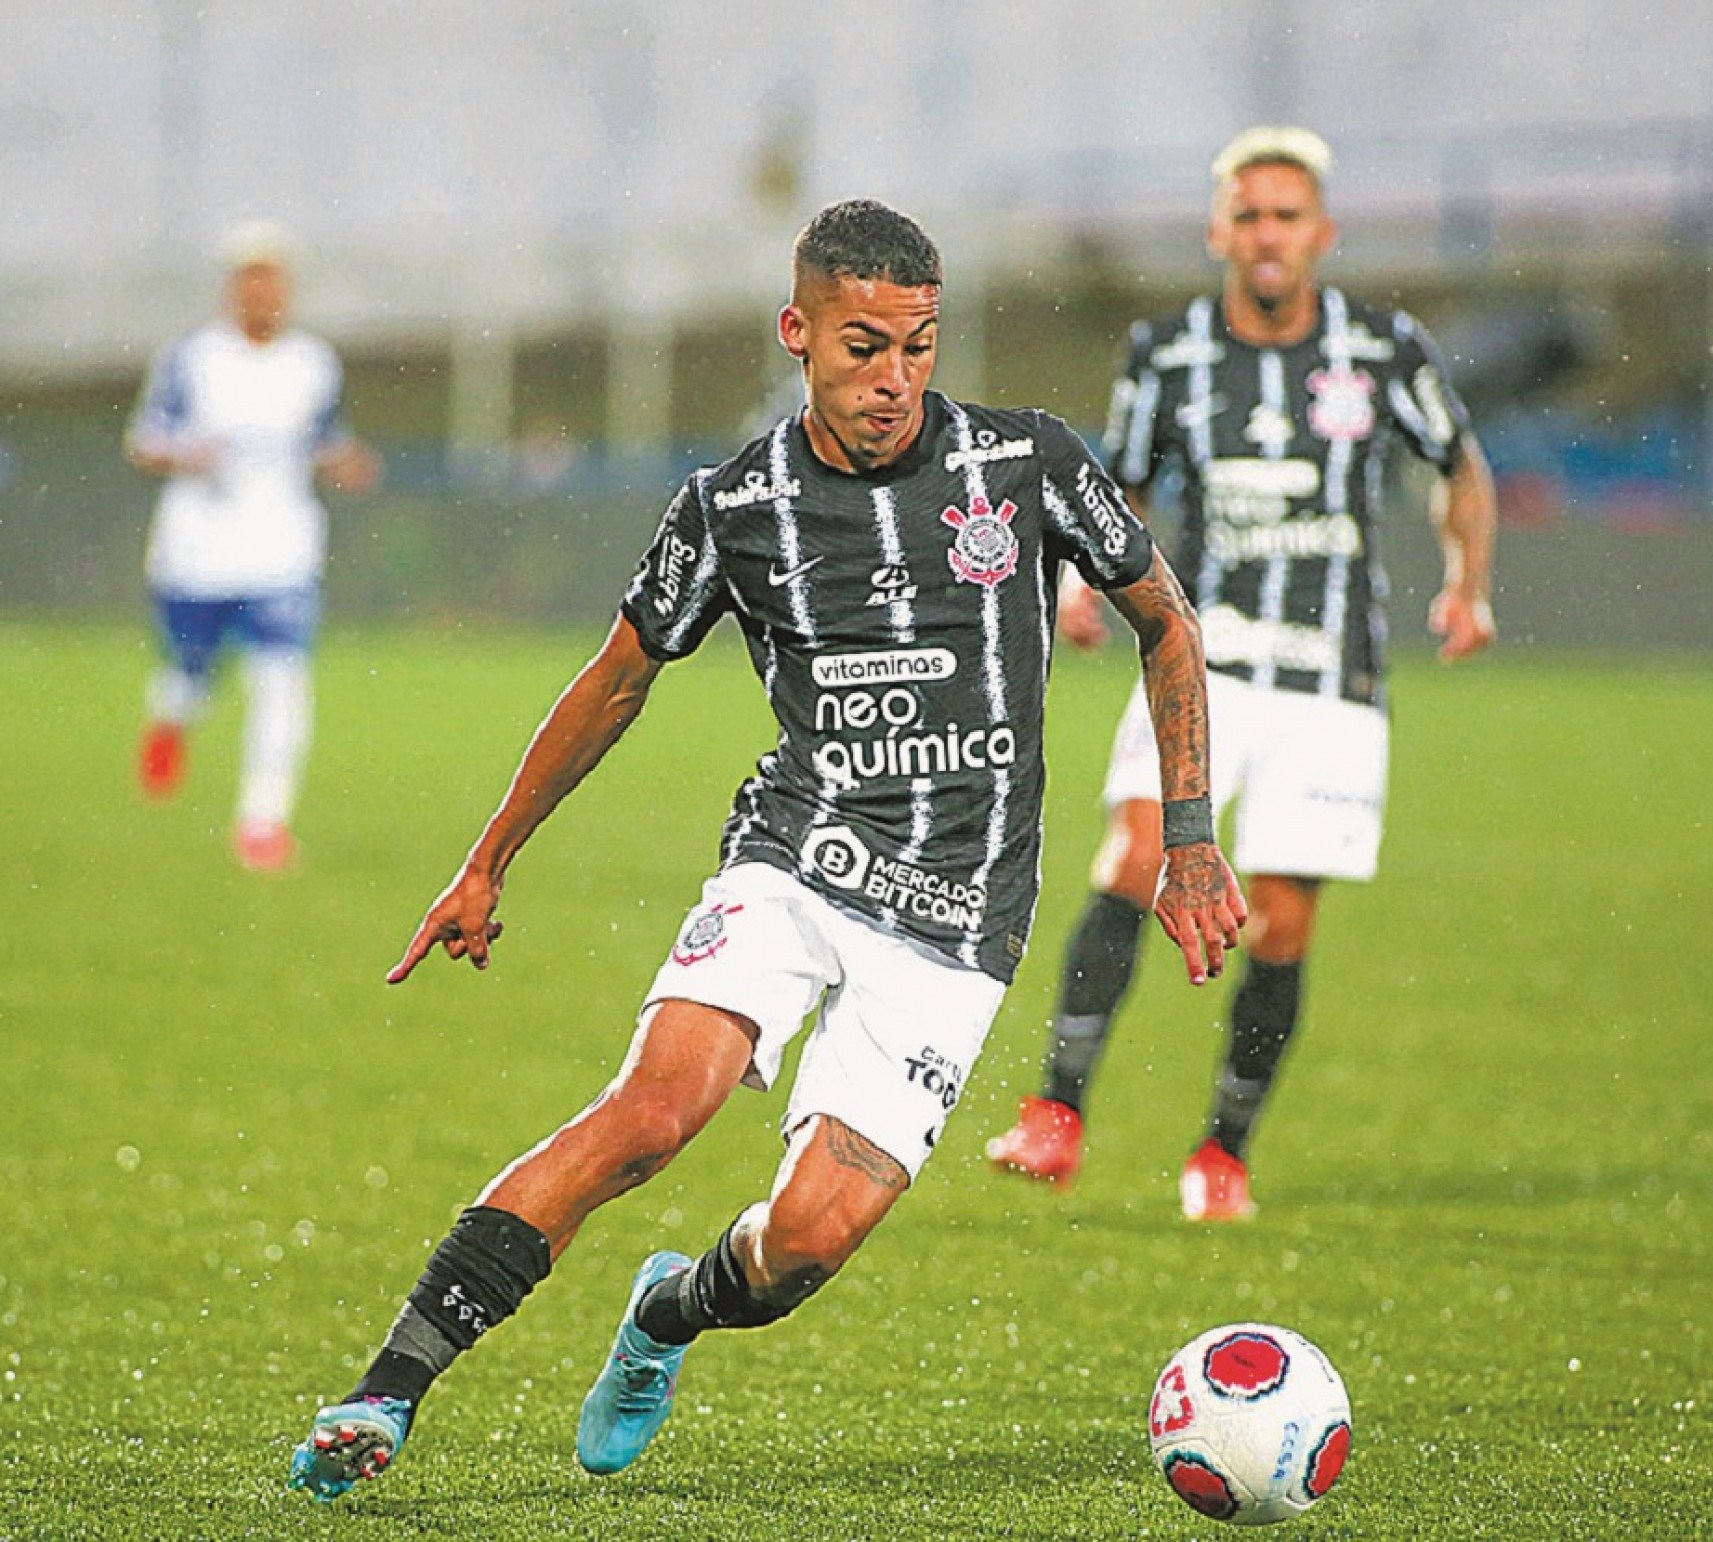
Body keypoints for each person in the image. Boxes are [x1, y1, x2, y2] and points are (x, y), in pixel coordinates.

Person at [288, 199, 1245, 1503]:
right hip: (794, 863)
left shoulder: (1026, 464)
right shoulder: (735, 503)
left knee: (800, 1244)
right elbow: (615, 680)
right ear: (796, 332)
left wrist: (1186, 841)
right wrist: (486, 858)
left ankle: (665, 1316)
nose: (893, 380)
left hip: (959, 924)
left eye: (916, 346)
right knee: (649, 1116)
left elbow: (1164, 621)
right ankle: (382, 1393)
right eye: (863, 348)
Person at [986, 126, 1498, 1221]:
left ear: (1322, 231)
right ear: (1220, 229)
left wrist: (1466, 583)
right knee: (1131, 857)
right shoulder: (1167, 352)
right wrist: (1081, 582)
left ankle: (1223, 1153)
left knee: (1280, 922)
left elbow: (1456, 463)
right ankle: (1056, 1112)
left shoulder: (1382, 346)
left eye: (1287, 216)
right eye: (1249, 216)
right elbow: (1114, 490)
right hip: (1200, 658)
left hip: (1331, 679)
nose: (1267, 236)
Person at [125, 220, 380, 871]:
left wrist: (347, 464)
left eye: (272, 278)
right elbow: (143, 442)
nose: (262, 291)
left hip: (281, 550)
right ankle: (171, 720)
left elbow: (325, 441)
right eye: (249, 278)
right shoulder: (191, 359)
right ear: (231, 288)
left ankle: (262, 823)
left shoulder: (312, 364)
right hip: (199, 550)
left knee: (281, 681)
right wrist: (187, 454)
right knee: (191, 675)